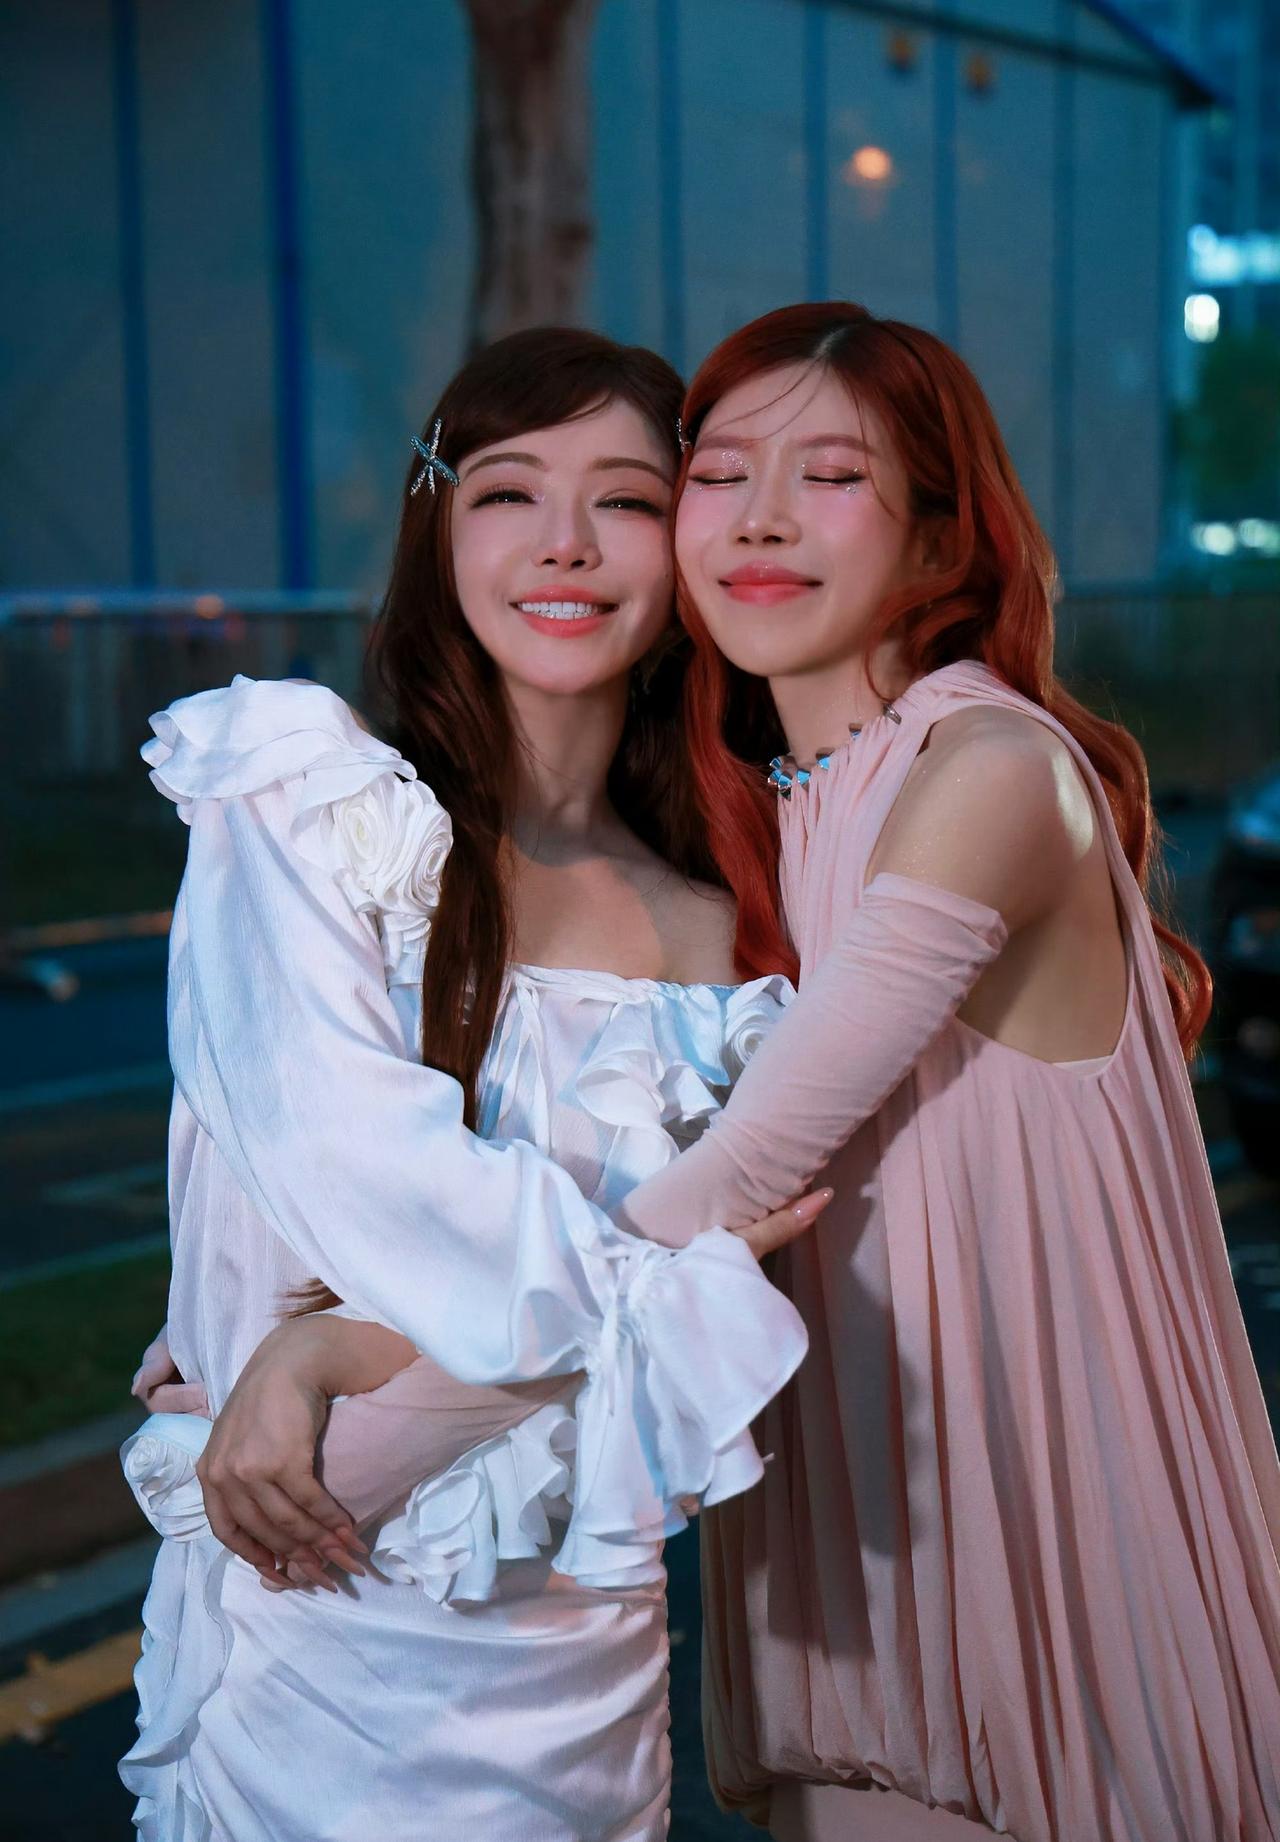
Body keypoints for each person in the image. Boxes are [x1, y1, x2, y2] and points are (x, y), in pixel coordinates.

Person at [196, 299, 1280, 1842]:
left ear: (935, 537)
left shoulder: (986, 772)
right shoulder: (764, 830)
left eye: (831, 475)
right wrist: (234, 1319)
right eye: (720, 474)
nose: (762, 516)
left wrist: (336, 1387)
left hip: (1036, 1534)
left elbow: (728, 1185)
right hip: (851, 1550)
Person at [120, 325, 824, 1842]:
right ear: (438, 525)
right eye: (509, 491)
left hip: (582, 1674)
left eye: (625, 499)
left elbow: (730, 1310)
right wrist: (662, 1279)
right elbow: (355, 1168)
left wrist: (330, 1351)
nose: (565, 543)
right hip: (320, 1642)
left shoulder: (736, 920)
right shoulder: (314, 815)